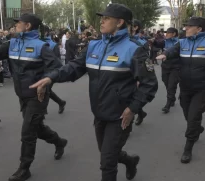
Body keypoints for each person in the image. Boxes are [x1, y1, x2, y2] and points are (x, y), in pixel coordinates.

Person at [30, 4, 158, 181]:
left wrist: (133, 108)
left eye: (106, 18)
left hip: (121, 115)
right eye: (102, 18)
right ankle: (129, 161)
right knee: (108, 153)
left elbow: (149, 84)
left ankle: (121, 162)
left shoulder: (134, 49)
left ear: (120, 22)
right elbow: (74, 67)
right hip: (99, 112)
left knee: (107, 162)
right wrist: (51, 77)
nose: (102, 21)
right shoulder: (93, 45)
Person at [0, 14, 68, 181]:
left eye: (18, 23)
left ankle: (24, 168)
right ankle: (59, 142)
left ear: (28, 26)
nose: (15, 25)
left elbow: (56, 68)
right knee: (36, 129)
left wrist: (45, 84)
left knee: (28, 132)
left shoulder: (41, 46)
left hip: (37, 96)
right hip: (22, 94)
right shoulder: (13, 43)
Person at [156, 17, 205, 164]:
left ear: (199, 29)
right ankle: (197, 128)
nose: (185, 28)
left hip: (202, 89)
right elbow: (172, 51)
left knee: (193, 117)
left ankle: (188, 148)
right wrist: (165, 54)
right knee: (188, 115)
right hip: (185, 88)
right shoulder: (182, 42)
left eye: (189, 26)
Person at [43, 25, 67, 114]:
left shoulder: (52, 45)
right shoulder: (37, 43)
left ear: (45, 32)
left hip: (50, 72)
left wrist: (54, 74)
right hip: (41, 71)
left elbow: (57, 61)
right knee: (46, 90)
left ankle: (42, 110)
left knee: (46, 89)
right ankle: (61, 102)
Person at [161, 27, 180, 114]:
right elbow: (157, 44)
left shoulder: (179, 43)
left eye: (168, 33)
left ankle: (168, 105)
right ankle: (172, 98)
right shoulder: (164, 41)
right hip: (165, 66)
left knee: (171, 85)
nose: (166, 34)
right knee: (166, 83)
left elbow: (175, 52)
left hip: (175, 67)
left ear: (174, 34)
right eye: (166, 33)